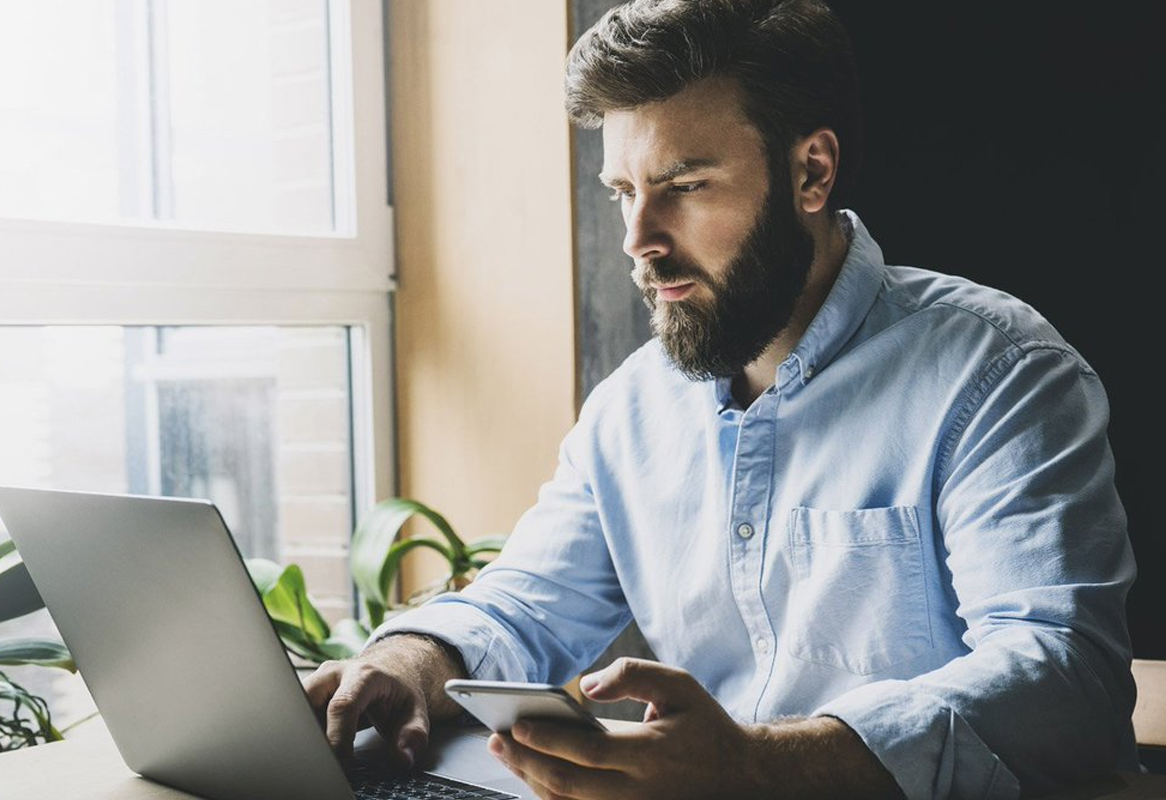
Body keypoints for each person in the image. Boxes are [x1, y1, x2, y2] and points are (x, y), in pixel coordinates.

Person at [303, 1, 1138, 797]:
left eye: (686, 185)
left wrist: (761, 769)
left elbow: (1064, 673)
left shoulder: (1000, 372)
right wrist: (410, 659)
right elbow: (527, 601)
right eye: (623, 192)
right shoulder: (631, 408)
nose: (639, 240)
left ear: (811, 171)